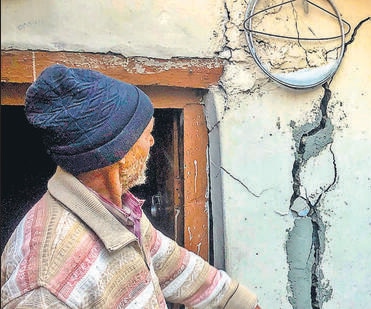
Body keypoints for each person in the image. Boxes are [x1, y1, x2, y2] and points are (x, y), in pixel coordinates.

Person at [1, 64, 261, 309]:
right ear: (119, 153)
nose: (151, 142)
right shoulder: (45, 286)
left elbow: (169, 262)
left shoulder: (117, 208)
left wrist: (239, 302)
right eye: (146, 133)